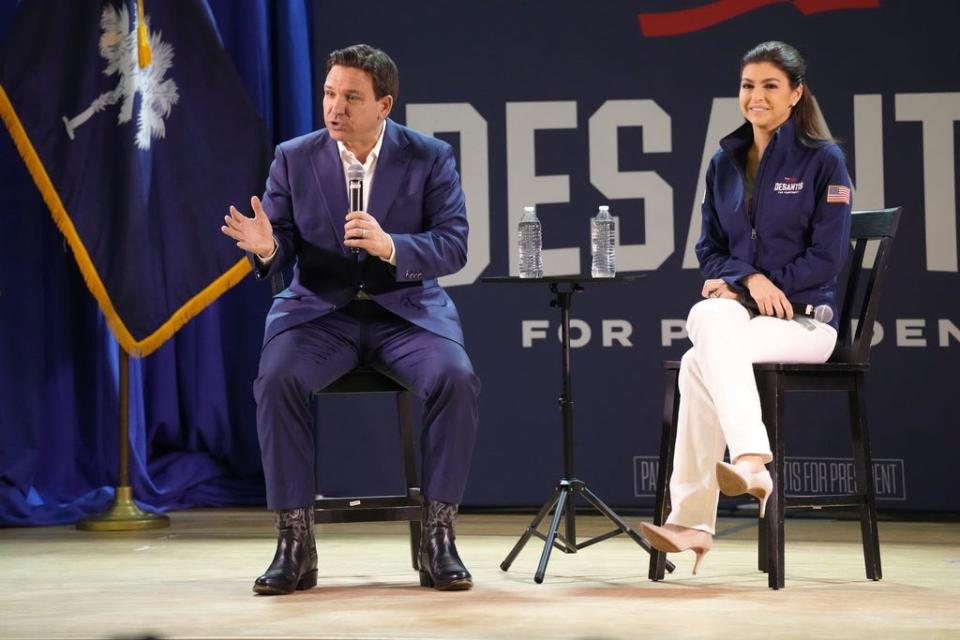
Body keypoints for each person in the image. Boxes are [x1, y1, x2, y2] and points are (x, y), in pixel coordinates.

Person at [221, 44, 480, 594]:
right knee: (277, 378)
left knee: (455, 378)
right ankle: (294, 540)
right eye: (329, 93)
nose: (335, 108)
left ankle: (439, 537)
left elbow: (454, 246)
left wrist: (392, 246)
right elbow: (282, 242)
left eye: (351, 97)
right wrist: (268, 249)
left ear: (384, 105)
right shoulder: (294, 156)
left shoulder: (429, 156)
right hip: (321, 315)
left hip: (405, 315)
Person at [640, 41, 852, 574]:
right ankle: (747, 468)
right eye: (747, 86)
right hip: (743, 315)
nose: (755, 96)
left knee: (700, 352)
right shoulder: (725, 162)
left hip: (807, 323)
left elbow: (826, 262)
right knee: (706, 328)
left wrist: (758, 287)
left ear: (796, 94)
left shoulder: (823, 161)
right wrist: (748, 280)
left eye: (770, 86)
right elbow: (708, 249)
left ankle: (701, 512)